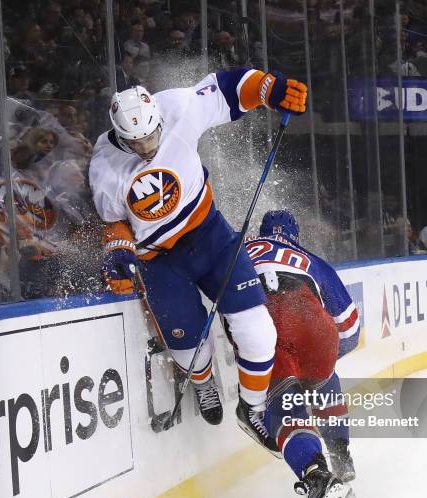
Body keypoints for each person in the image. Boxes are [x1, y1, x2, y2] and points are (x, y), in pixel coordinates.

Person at [89, 68, 307, 429]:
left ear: (159, 117)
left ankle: (252, 408)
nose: (147, 148)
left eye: (152, 136)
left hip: (211, 237)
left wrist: (271, 88)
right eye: (136, 144)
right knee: (187, 348)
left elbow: (228, 89)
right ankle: (204, 383)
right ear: (121, 137)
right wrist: (119, 252)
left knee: (258, 332)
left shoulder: (177, 106)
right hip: (159, 261)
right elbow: (115, 223)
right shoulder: (104, 168)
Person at [243, 210, 359, 498]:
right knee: (324, 373)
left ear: (261, 232)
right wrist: (320, 361)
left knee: (284, 409)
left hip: (269, 330)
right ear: (296, 237)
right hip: (314, 328)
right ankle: (340, 455)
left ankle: (318, 477)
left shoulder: (239, 250)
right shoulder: (310, 259)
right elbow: (350, 328)